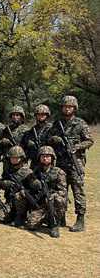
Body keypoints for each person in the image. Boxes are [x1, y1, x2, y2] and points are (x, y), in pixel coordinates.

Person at [48, 95, 94, 232]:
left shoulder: (80, 123)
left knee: (77, 190)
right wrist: (54, 139)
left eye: (70, 107)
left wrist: (77, 147)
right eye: (65, 106)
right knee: (61, 190)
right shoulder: (57, 123)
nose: (67, 109)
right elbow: (49, 139)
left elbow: (90, 141)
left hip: (75, 163)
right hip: (61, 162)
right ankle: (60, 217)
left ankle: (80, 220)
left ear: (74, 108)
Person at [25, 146, 67, 238]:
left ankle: (54, 224)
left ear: (52, 158)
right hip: (41, 205)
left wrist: (54, 195)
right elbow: (28, 188)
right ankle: (45, 218)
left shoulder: (59, 172)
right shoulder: (35, 172)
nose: (45, 158)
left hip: (53, 203)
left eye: (48, 156)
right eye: (43, 156)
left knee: (57, 199)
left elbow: (63, 191)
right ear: (39, 158)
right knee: (30, 225)